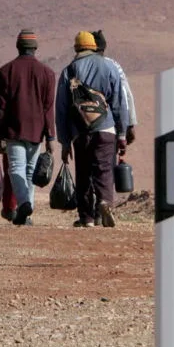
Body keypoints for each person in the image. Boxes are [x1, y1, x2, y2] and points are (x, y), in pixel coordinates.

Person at [56, 31, 128, 228]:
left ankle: (87, 218)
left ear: (76, 48)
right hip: (106, 128)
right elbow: (119, 102)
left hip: (80, 131)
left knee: (84, 172)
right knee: (104, 169)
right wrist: (122, 134)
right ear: (94, 47)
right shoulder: (110, 66)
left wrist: (64, 141)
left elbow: (61, 109)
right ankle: (104, 202)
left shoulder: (68, 71)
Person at [0, 29, 56, 226]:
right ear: (35, 48)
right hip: (36, 131)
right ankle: (26, 214)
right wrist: (50, 136)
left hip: (13, 129)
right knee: (29, 171)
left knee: (16, 168)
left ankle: (25, 204)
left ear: (18, 47)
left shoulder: (6, 71)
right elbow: (48, 108)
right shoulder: (47, 73)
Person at [92, 30, 137, 145]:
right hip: (109, 128)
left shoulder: (78, 66)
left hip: (84, 128)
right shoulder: (113, 65)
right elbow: (125, 95)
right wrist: (130, 124)